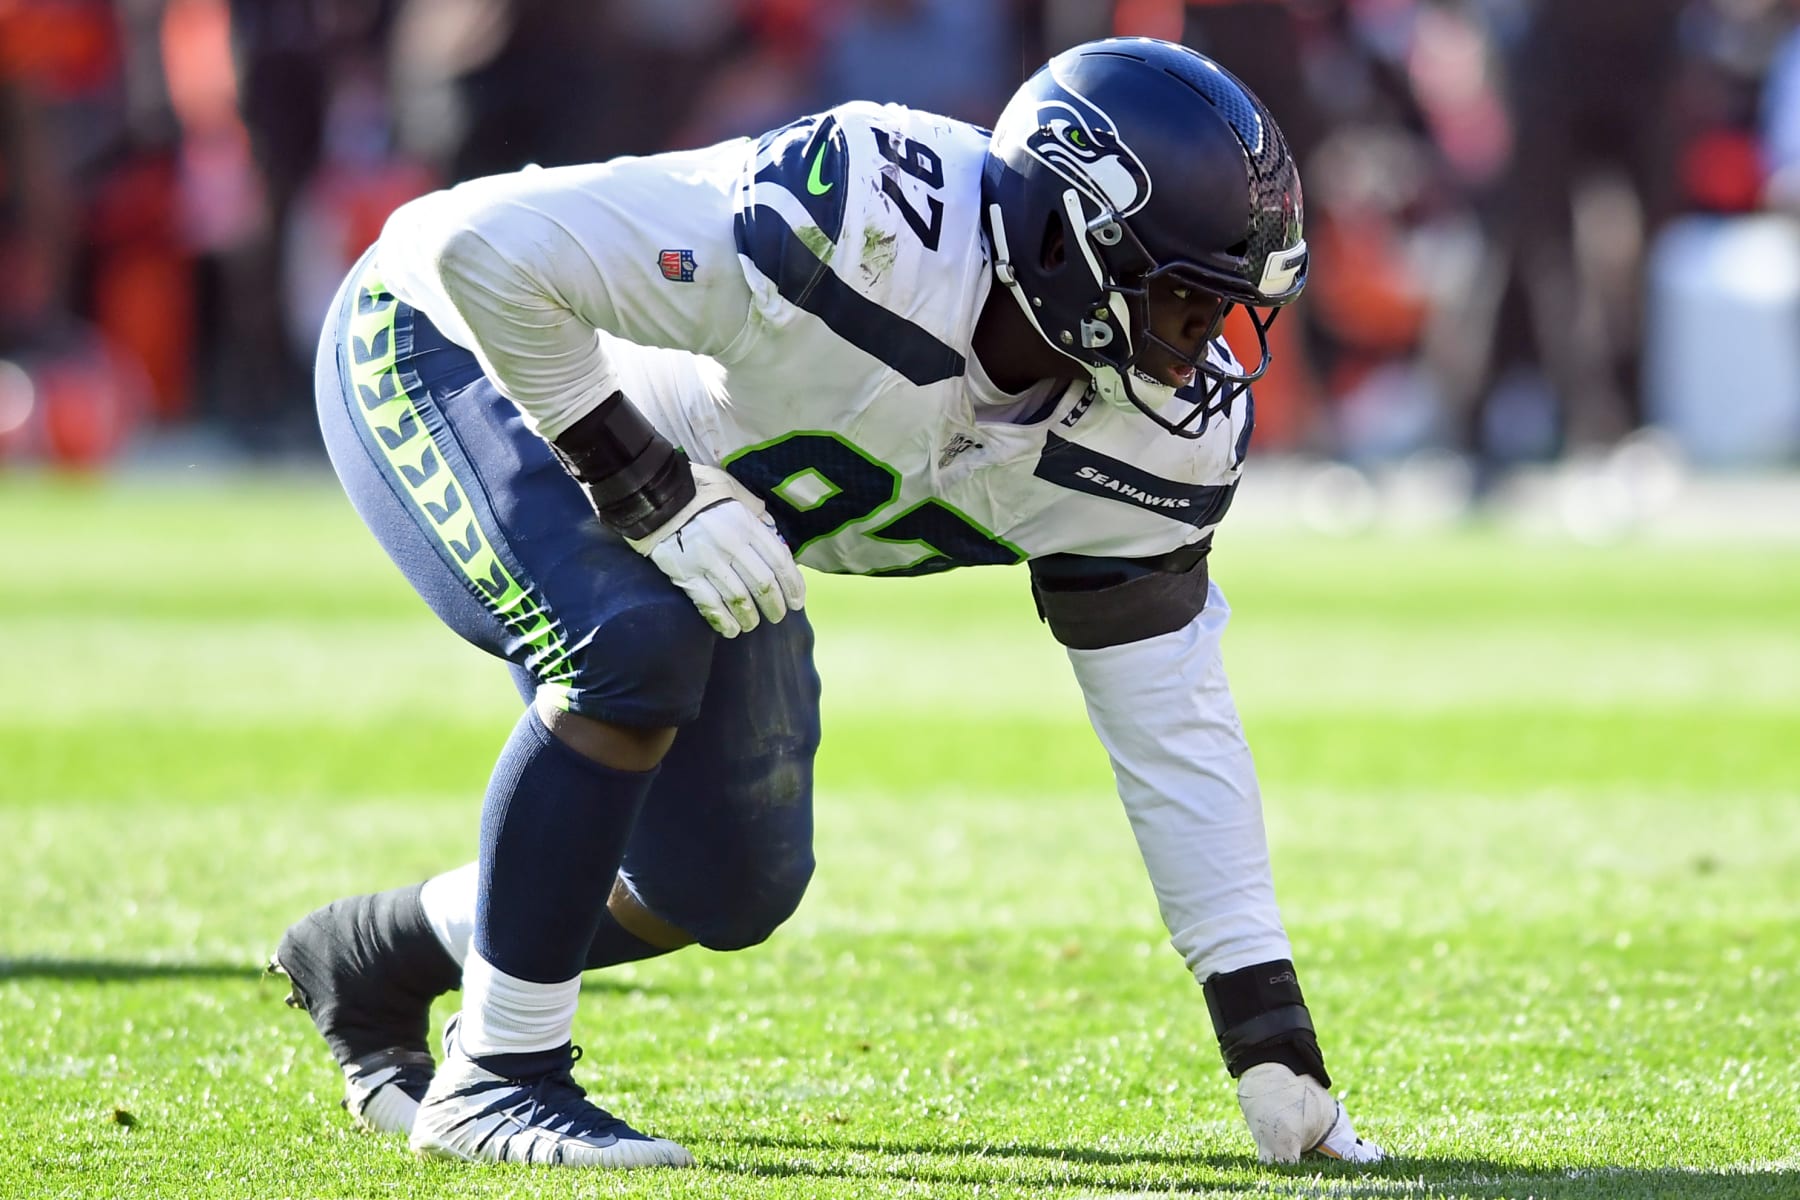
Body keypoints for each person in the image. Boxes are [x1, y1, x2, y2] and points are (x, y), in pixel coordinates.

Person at [273, 36, 1385, 1169]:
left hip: (690, 488)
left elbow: (1174, 733)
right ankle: (500, 1077)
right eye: (1188, 305)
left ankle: (376, 956)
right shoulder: (860, 223)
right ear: (1064, 245)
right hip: (450, 342)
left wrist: (1269, 1044)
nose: (1206, 361)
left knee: (725, 882)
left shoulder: (1156, 440)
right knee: (633, 643)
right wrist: (647, 486)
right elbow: (466, 247)